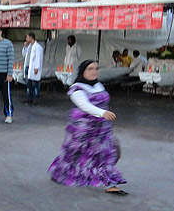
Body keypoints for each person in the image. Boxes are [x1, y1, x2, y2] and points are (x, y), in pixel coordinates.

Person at [48, 60, 127, 196]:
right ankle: (61, 174)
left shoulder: (98, 85)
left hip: (101, 130)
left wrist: (104, 116)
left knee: (106, 154)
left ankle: (111, 184)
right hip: (82, 131)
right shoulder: (77, 89)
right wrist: (102, 113)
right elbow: (84, 105)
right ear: (83, 71)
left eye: (96, 68)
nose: (94, 71)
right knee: (75, 156)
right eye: (90, 69)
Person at [23, 32, 43, 105]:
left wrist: (36, 67)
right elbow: (24, 54)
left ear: (31, 38)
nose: (26, 39)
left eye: (27, 37)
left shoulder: (38, 47)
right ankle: (29, 98)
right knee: (29, 84)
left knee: (35, 84)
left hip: (34, 67)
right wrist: (25, 47)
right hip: (28, 67)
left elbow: (38, 58)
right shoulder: (29, 46)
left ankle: (36, 98)